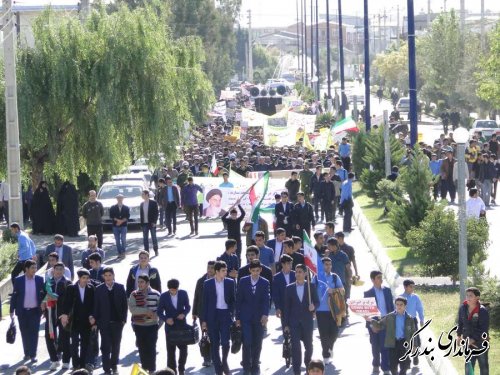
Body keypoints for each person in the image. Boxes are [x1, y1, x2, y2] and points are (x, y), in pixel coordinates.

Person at [283, 264, 320, 375]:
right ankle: (297, 370)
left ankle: (307, 363)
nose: (298, 274)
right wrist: (285, 324)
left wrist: (314, 306)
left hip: (307, 321)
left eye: (300, 272)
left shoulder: (311, 286)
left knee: (309, 346)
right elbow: (286, 308)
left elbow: (317, 302)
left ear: (305, 274)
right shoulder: (289, 288)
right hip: (294, 323)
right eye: (296, 272)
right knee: (296, 348)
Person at [236, 260, 270, 375]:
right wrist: (238, 318)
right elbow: (239, 300)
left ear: (260, 270)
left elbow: (266, 300)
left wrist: (265, 314)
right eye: (253, 270)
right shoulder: (243, 281)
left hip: (259, 318)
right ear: (250, 270)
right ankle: (246, 365)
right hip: (246, 317)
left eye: (258, 270)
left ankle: (255, 365)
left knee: (258, 342)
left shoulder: (264, 282)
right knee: (247, 341)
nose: (255, 273)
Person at [201, 261, 236, 375]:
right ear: (217, 271)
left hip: (225, 315)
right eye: (223, 271)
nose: (225, 272)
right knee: (215, 343)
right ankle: (218, 369)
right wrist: (204, 321)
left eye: (226, 270)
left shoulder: (230, 282)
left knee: (226, 342)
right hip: (213, 316)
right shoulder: (208, 283)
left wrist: (232, 312)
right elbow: (204, 303)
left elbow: (233, 299)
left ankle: (224, 362)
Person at [367, 296, 417, 375]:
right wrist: (371, 320)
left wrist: (414, 345)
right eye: (397, 304)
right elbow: (379, 325)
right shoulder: (389, 317)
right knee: (393, 366)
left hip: (404, 343)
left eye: (401, 305)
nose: (399, 306)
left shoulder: (409, 318)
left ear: (405, 306)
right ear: (395, 305)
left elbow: (413, 333)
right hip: (392, 343)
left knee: (404, 365)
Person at [92, 267, 128, 375]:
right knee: (105, 346)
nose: (108, 278)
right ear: (103, 277)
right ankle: (106, 368)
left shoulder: (120, 287)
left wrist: (123, 320)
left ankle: (114, 366)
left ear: (113, 276)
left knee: (116, 345)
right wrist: (95, 321)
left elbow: (124, 305)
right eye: (106, 276)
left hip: (117, 322)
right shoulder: (99, 289)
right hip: (104, 323)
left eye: (110, 275)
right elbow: (96, 306)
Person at [10, 260, 45, 365]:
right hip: (22, 312)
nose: (35, 270)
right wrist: (12, 309)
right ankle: (27, 353)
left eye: (35, 267)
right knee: (24, 333)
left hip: (35, 311)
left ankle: (33, 354)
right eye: (32, 268)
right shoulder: (18, 280)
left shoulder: (39, 279)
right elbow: (15, 295)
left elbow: (42, 294)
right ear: (26, 269)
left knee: (34, 333)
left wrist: (44, 306)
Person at [61, 269, 96, 372]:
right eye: (83, 278)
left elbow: (94, 305)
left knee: (86, 344)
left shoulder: (91, 288)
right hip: (74, 321)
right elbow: (66, 303)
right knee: (74, 344)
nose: (85, 280)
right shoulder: (71, 288)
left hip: (86, 322)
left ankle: (83, 364)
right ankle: (75, 365)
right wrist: (64, 315)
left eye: (87, 278)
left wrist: (93, 317)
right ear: (79, 278)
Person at [129, 274, 161, 373]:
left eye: (142, 282)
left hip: (152, 326)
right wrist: (146, 311)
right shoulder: (134, 294)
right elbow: (132, 309)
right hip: (139, 326)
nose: (140, 284)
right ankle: (144, 369)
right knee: (142, 347)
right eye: (138, 282)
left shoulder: (156, 294)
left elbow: (161, 309)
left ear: (148, 283)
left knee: (151, 347)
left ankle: (152, 369)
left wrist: (158, 320)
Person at [314, 257, 344, 364]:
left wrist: (334, 290)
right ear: (321, 266)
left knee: (335, 332)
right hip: (321, 311)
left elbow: (342, 290)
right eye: (326, 264)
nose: (328, 266)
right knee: (323, 334)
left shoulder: (335, 277)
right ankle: (325, 354)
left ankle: (330, 346)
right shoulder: (316, 278)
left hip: (334, 310)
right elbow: (312, 291)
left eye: (329, 264)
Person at [158, 279, 191, 375]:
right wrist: (166, 319)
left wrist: (184, 314)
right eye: (171, 290)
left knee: (184, 349)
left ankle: (181, 368)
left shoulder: (183, 294)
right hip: (170, 326)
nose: (173, 292)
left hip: (181, 325)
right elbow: (159, 311)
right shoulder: (164, 296)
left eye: (175, 290)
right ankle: (172, 371)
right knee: (171, 351)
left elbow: (188, 307)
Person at [364, 270, 395, 375]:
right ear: (372, 280)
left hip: (386, 321)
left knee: (385, 346)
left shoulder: (387, 291)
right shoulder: (368, 293)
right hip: (374, 322)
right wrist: (372, 324)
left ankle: (386, 368)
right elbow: (366, 311)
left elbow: (391, 307)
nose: (381, 279)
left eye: (381, 277)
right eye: (378, 277)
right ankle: (376, 365)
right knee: (375, 346)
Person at [43, 262, 72, 370]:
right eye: (57, 269)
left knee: (65, 337)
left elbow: (69, 299)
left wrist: (56, 298)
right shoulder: (48, 282)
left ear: (64, 271)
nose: (59, 271)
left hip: (63, 314)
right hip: (50, 313)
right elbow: (43, 293)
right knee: (49, 336)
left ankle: (66, 361)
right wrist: (44, 300)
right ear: (53, 270)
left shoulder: (67, 283)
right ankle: (54, 360)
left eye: (61, 269)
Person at [457, 287, 490, 375]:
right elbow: (460, 323)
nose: (468, 298)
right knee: (469, 367)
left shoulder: (482, 311)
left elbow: (484, 330)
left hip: (481, 344)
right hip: (467, 344)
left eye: (471, 296)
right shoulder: (462, 308)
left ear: (477, 298)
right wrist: (459, 336)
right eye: (467, 295)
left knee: (483, 367)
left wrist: (473, 340)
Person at [193, 261, 216, 367]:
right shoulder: (201, 281)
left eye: (212, 268)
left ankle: (214, 356)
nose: (210, 269)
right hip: (203, 313)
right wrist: (194, 312)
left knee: (215, 336)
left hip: (216, 313)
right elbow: (196, 297)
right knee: (205, 336)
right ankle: (207, 358)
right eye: (208, 267)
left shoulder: (219, 280)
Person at [400, 279, 425, 367]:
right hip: (403, 321)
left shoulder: (415, 297)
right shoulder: (400, 298)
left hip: (413, 320)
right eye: (411, 286)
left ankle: (415, 355)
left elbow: (420, 308)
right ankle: (406, 357)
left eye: (413, 286)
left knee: (414, 339)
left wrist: (422, 319)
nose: (412, 288)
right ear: (405, 287)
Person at [272, 254, 296, 329]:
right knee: (285, 325)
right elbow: (275, 294)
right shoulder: (276, 277)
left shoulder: (295, 274)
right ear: (283, 264)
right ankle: (286, 339)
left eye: (291, 263)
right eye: (288, 264)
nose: (290, 265)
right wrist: (277, 308)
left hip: (295, 305)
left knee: (294, 326)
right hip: (283, 306)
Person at [335, 232, 359, 302]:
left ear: (341, 238)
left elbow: (353, 261)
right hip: (338, 274)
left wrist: (357, 273)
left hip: (347, 275)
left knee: (347, 293)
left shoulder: (349, 248)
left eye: (336, 238)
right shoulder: (334, 250)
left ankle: (346, 308)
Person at [109, 194, 130, 259]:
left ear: (123, 199)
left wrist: (121, 221)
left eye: (121, 198)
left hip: (124, 226)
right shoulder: (112, 207)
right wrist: (118, 221)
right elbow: (111, 216)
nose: (120, 199)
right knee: (117, 240)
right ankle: (119, 252)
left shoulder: (126, 207)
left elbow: (127, 216)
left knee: (123, 239)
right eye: (118, 198)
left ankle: (123, 252)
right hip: (115, 226)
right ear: (116, 199)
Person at [140, 190, 159, 256]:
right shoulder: (142, 204)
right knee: (145, 238)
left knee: (154, 237)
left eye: (143, 194)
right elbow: (141, 214)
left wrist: (154, 222)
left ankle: (156, 250)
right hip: (144, 223)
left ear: (147, 195)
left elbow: (156, 213)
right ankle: (146, 251)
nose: (142, 196)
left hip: (151, 223)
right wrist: (141, 224)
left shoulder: (153, 203)